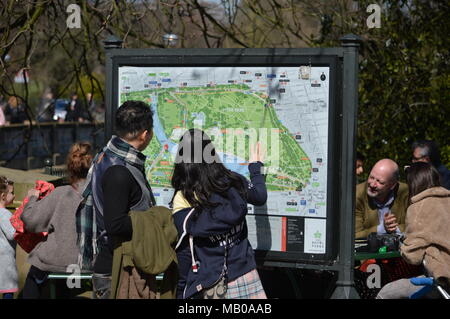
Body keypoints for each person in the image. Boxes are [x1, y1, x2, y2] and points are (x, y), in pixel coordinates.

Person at [172, 128, 267, 299]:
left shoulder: (184, 197)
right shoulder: (234, 182)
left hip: (209, 283)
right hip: (245, 276)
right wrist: (255, 168)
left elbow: (185, 252)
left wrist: (181, 291)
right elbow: (259, 196)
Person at [77, 100, 156, 299]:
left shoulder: (107, 156)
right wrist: (156, 219)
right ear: (145, 134)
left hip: (120, 262)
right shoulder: (119, 170)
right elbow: (115, 223)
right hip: (118, 268)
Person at [20, 142, 93, 299]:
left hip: (57, 262)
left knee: (33, 278)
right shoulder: (100, 194)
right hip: (88, 262)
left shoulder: (61, 193)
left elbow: (31, 222)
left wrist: (32, 197)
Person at [376, 162, 450, 299]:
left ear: (414, 183)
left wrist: (403, 243)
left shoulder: (418, 207)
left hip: (441, 280)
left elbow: (413, 256)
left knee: (386, 292)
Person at [355, 159, 409, 239]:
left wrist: (394, 229)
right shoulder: (357, 195)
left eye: (380, 182)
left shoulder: (405, 192)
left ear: (392, 185)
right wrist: (382, 229)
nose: (372, 184)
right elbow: (355, 234)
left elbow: (416, 225)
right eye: (371, 177)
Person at [0, 176, 17, 299]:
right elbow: (11, 234)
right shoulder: (5, 213)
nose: (14, 196)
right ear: (3, 196)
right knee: (7, 290)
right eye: (12, 193)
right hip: (5, 259)